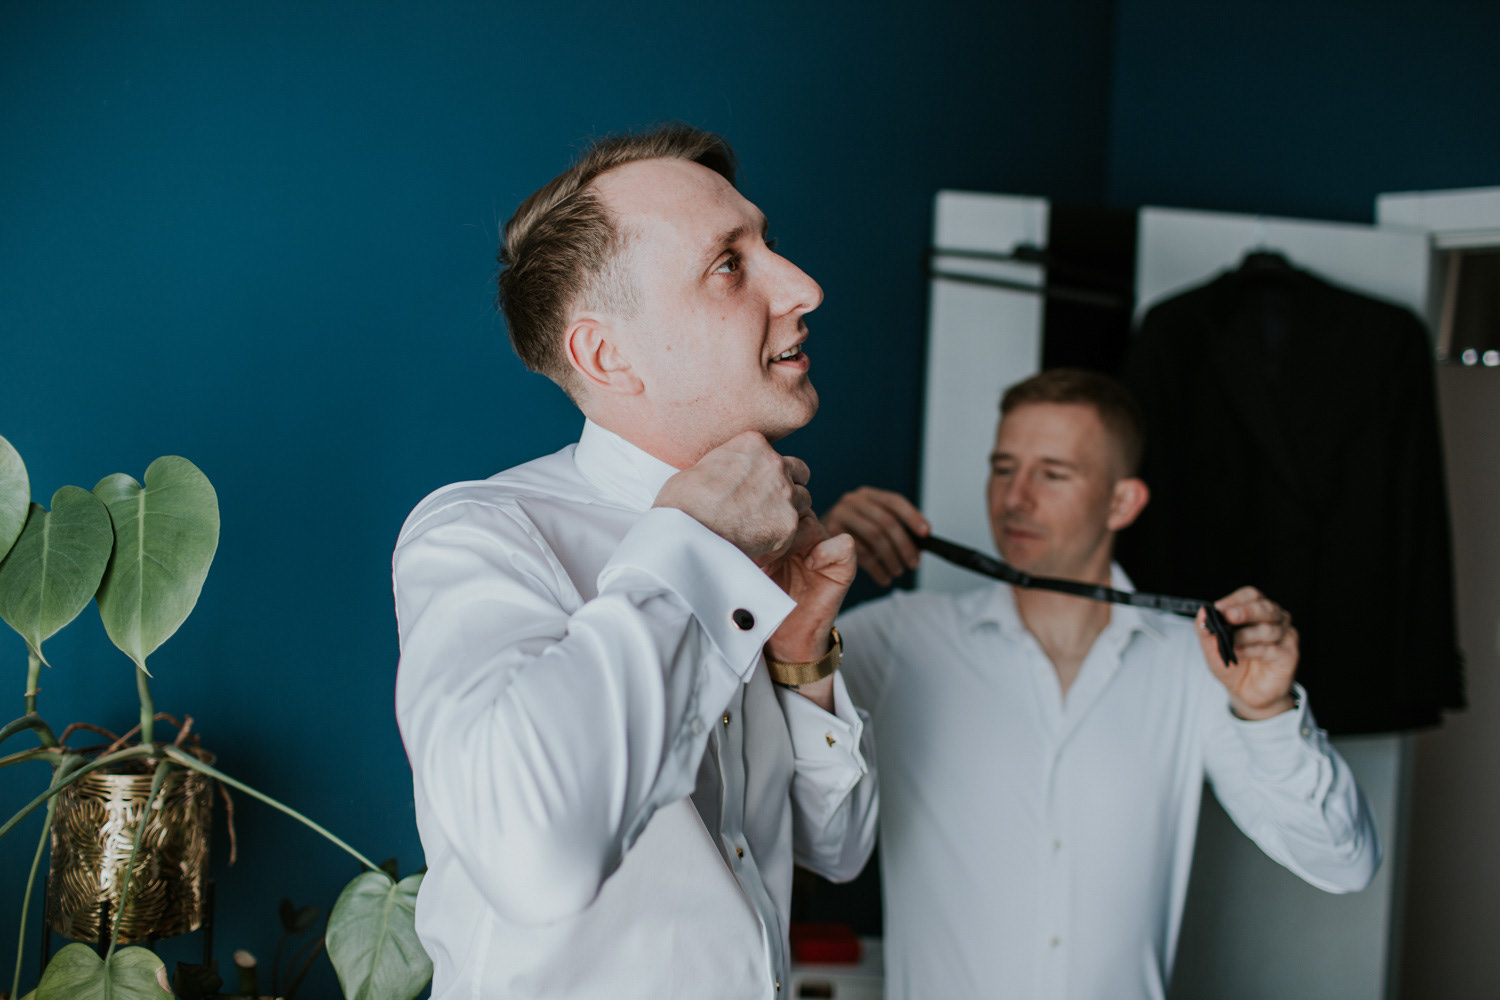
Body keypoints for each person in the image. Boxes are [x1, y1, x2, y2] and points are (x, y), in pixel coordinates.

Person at [392, 125, 878, 1000]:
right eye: (729, 264)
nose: (803, 286)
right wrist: (696, 544)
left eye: (767, 243)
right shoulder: (482, 536)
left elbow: (836, 851)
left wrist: (802, 655)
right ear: (606, 356)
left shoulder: (763, 547)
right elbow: (530, 851)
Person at [824, 368, 1379, 1000]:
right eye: (1004, 468)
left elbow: (1345, 863)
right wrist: (807, 560)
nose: (1015, 498)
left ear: (1122, 503)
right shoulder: (898, 641)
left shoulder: (1193, 665)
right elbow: (745, 727)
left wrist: (1269, 712)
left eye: (1053, 474)